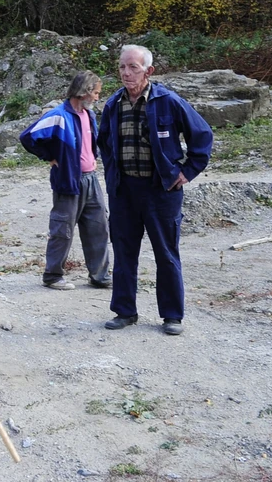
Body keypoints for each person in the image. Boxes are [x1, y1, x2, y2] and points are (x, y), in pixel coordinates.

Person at [97, 45, 213, 336]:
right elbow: (105, 143)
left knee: (166, 253)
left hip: (161, 191)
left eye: (133, 67)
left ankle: (172, 316)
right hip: (124, 191)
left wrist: (186, 172)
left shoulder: (168, 101)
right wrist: (113, 175)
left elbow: (202, 136)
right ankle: (125, 311)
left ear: (148, 71)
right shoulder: (113, 104)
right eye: (122, 67)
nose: (126, 73)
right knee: (124, 253)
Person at [19, 71, 111, 291]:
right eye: (96, 93)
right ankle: (52, 276)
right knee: (63, 229)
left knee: (98, 228)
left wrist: (93, 158)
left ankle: (99, 276)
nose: (98, 98)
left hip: (91, 180)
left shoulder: (89, 115)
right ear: (85, 91)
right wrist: (49, 156)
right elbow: (27, 137)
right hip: (68, 180)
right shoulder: (59, 115)